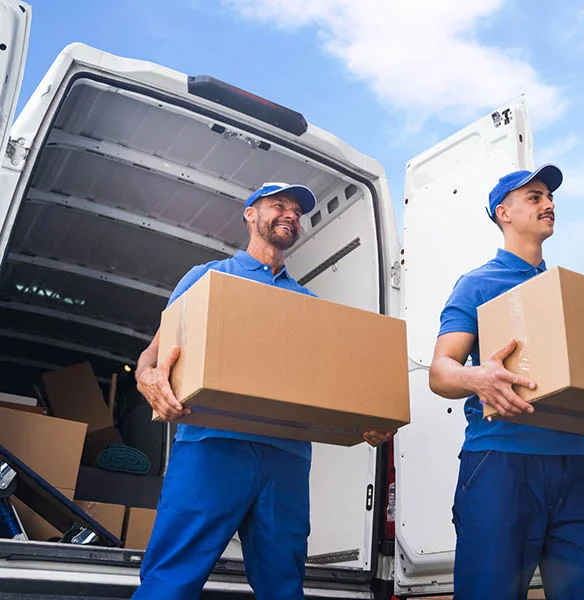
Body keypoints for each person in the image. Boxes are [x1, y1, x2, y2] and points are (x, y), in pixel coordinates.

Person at [132, 182, 391, 600]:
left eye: (296, 210)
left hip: (285, 456)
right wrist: (147, 378)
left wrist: (364, 423)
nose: (290, 214)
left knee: (283, 587)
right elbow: (152, 356)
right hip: (213, 444)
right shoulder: (207, 278)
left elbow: (329, 387)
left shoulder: (308, 302)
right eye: (279, 205)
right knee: (172, 579)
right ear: (250, 214)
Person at [428, 165, 584, 599]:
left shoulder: (565, 292)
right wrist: (476, 376)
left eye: (550, 198)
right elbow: (440, 372)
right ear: (504, 213)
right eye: (534, 197)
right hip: (501, 461)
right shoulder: (477, 285)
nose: (548, 204)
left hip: (576, 466)